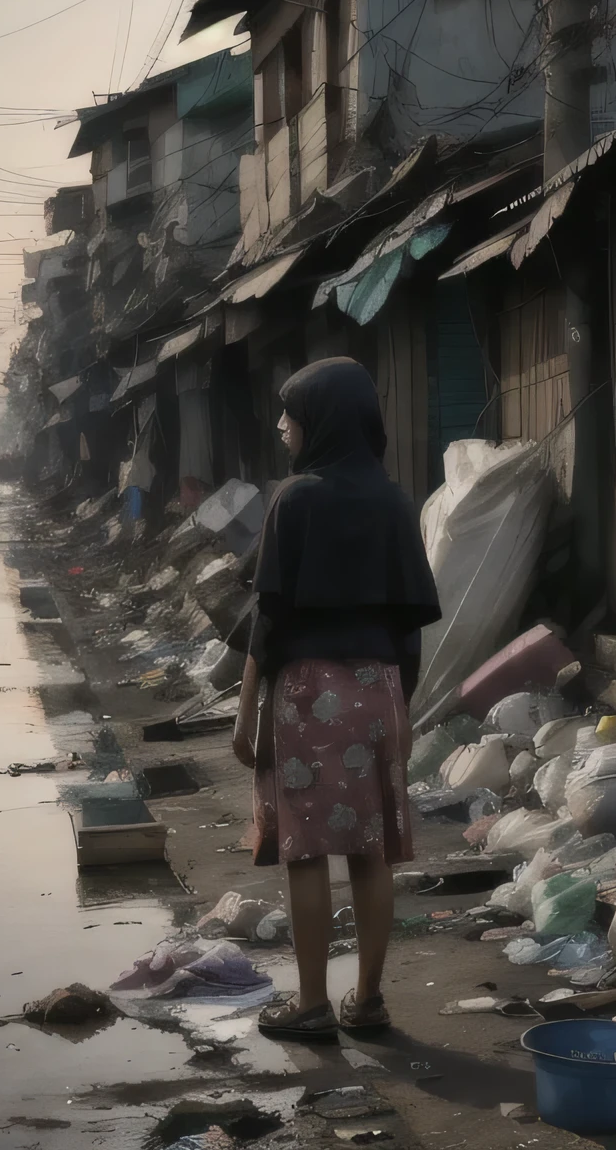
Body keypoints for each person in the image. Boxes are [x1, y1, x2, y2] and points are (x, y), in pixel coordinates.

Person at [232, 358, 441, 1042]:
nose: (283, 428)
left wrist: (247, 712)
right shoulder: (395, 503)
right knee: (370, 852)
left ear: (318, 421)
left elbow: (270, 620)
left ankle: (312, 1003)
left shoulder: (294, 500)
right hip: (378, 691)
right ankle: (370, 1001)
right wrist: (400, 709)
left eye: (290, 415)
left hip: (308, 695)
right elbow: (410, 628)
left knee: (306, 851)